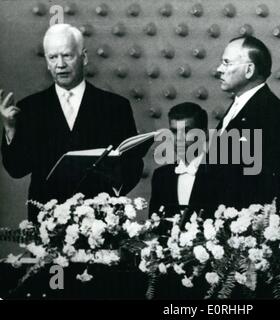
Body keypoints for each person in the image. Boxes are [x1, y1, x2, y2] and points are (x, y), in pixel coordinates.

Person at [0, 24, 144, 222]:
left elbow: (133, 164)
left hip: (101, 223)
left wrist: (109, 196)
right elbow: (16, 169)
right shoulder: (30, 108)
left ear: (83, 57)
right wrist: (9, 128)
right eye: (53, 57)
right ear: (47, 63)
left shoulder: (115, 106)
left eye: (67, 55)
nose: (60, 64)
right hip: (47, 223)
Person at [212, 35, 280, 210]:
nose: (219, 69)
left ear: (249, 70)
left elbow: (264, 184)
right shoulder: (243, 104)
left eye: (227, 63)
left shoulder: (270, 114)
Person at [149, 102, 215, 222]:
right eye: (174, 131)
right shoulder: (161, 176)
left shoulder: (221, 173)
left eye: (187, 131)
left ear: (204, 133)